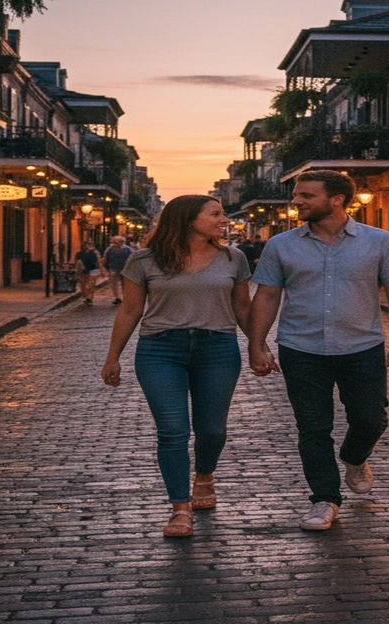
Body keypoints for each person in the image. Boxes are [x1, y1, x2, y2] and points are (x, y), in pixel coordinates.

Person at [246, 170, 389, 532]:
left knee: (372, 419)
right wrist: (256, 344)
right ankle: (324, 499)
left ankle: (354, 457)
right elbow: (267, 296)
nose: (297, 201)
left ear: (336, 199)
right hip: (300, 347)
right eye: (297, 195)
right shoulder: (281, 245)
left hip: (362, 345)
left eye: (307, 195)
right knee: (312, 427)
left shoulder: (380, 241)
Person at [100, 196, 252, 537]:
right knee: (172, 430)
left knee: (211, 430)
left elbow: (243, 307)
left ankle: (205, 476)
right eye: (215, 214)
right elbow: (129, 310)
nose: (224, 219)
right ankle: (180, 508)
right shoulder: (144, 260)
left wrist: (258, 345)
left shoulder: (233, 258)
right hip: (159, 350)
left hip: (218, 348)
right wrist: (113, 356)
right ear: (188, 220)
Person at [102, 235, 135, 304]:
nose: (117, 244)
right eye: (115, 242)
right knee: (114, 284)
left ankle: (125, 297)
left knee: (125, 284)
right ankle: (117, 297)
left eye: (119, 242)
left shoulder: (128, 249)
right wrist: (107, 268)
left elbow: (133, 259)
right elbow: (105, 259)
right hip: (113, 268)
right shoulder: (109, 249)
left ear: (123, 242)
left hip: (125, 269)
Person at [74, 241, 102, 306]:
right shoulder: (79, 254)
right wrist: (77, 271)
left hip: (93, 269)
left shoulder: (94, 253)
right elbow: (77, 263)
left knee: (91, 284)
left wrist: (101, 270)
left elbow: (98, 262)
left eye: (89, 246)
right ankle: (87, 297)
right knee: (84, 284)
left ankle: (90, 298)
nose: (87, 247)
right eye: (85, 246)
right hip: (84, 270)